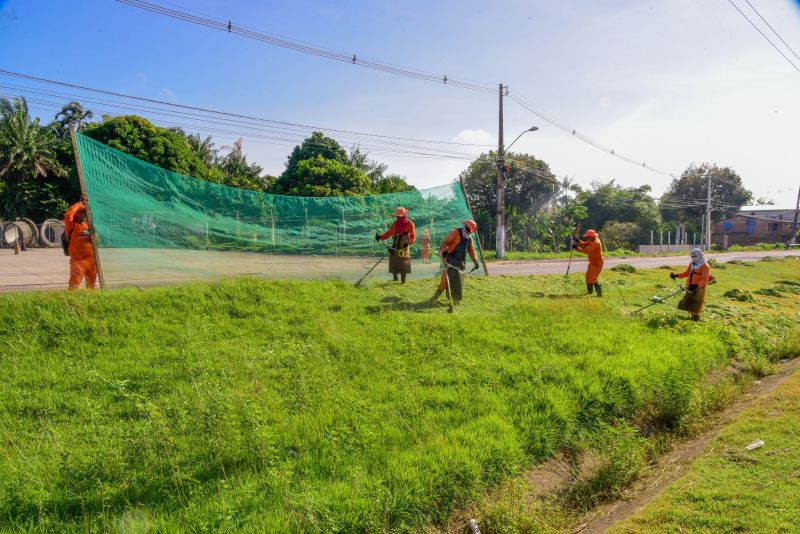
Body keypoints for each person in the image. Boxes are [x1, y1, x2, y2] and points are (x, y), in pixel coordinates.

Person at [432, 220, 480, 304]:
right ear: (464, 227)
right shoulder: (455, 233)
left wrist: (475, 261)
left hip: (460, 263)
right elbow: (446, 243)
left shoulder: (469, 239)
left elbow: (471, 251)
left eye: (470, 231)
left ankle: (457, 301)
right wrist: (442, 253)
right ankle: (434, 299)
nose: (469, 232)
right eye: (468, 230)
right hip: (450, 261)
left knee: (458, 282)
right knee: (445, 280)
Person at [64, 194, 97, 290]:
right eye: (80, 212)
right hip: (78, 261)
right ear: (76, 213)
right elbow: (68, 214)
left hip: (91, 261)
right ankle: (72, 303)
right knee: (74, 287)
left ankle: (90, 303)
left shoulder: (87, 225)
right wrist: (80, 203)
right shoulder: (70, 224)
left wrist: (94, 236)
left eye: (84, 212)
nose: (83, 214)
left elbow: (95, 241)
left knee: (91, 287)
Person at [671, 248, 713, 321]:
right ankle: (691, 318)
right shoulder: (691, 264)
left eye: (695, 257)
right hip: (690, 286)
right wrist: (676, 275)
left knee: (697, 302)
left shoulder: (705, 266)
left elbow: (704, 279)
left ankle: (695, 319)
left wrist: (696, 285)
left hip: (699, 288)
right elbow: (687, 273)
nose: (693, 258)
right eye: (692, 257)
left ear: (700, 256)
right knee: (689, 301)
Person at [376, 207, 416, 283]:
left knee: (403, 262)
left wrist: (409, 242)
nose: (398, 217)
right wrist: (380, 237)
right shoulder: (395, 224)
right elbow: (389, 233)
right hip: (395, 244)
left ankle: (403, 280)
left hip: (404, 245)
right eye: (397, 216)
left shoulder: (410, 224)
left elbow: (413, 236)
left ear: (404, 215)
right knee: (393, 260)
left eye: (399, 216)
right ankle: (395, 278)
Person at [573, 229, 604, 296]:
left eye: (588, 237)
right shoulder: (592, 240)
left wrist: (576, 248)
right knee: (588, 277)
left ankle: (599, 293)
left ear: (592, 236)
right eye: (587, 237)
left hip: (597, 263)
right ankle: (590, 292)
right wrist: (577, 240)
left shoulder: (596, 243)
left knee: (593, 278)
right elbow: (584, 245)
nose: (587, 238)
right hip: (592, 262)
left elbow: (587, 251)